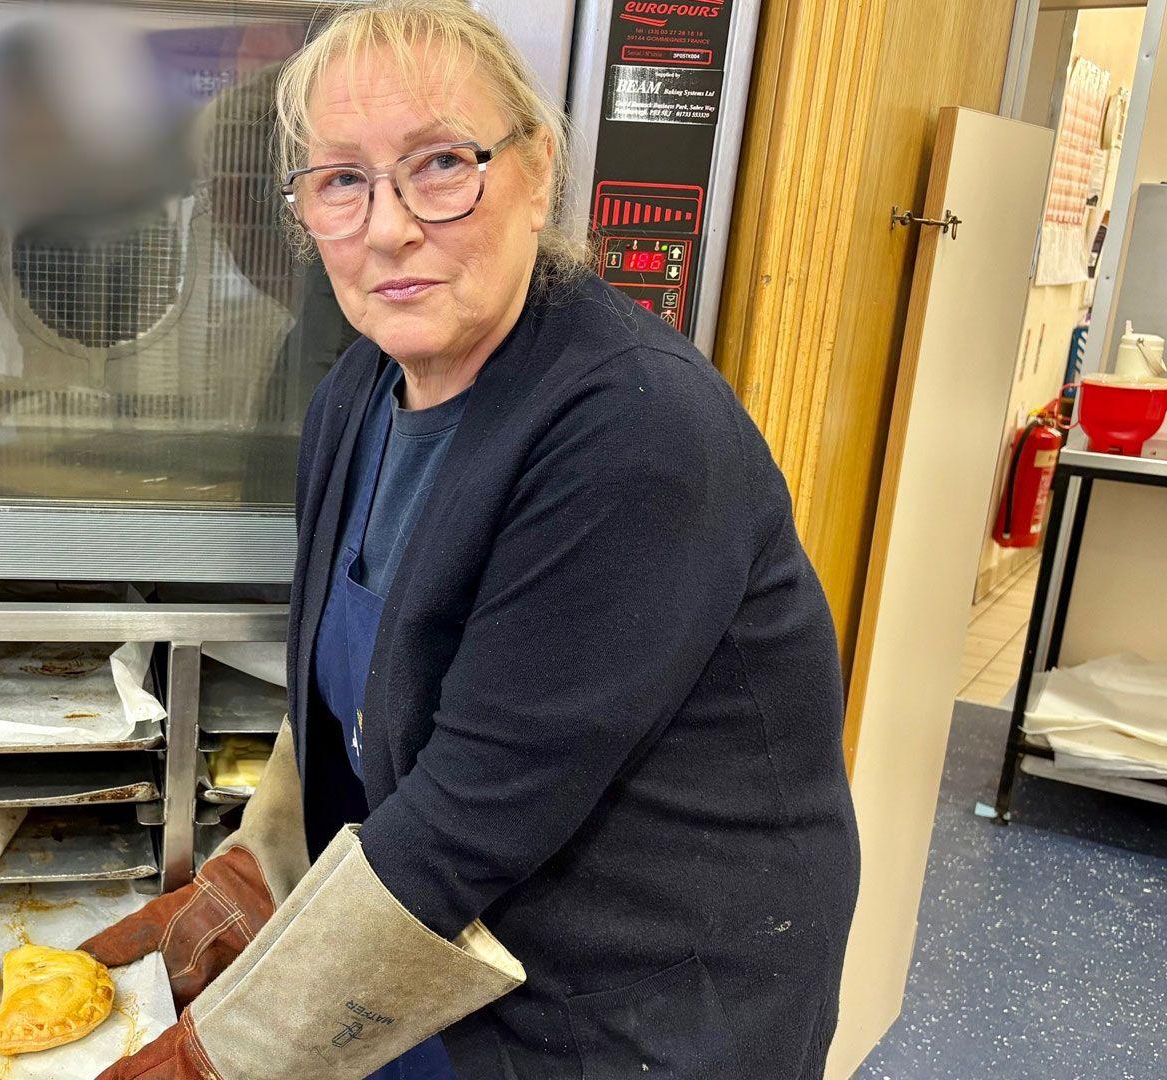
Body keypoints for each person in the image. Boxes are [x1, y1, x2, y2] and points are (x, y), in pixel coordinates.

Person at [85, 2, 860, 1077]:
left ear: (536, 171)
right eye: (342, 180)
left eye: (442, 164)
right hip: (423, 956)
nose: (389, 225)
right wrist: (253, 875)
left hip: (624, 1010)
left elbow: (469, 814)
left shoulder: (632, 433)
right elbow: (351, 703)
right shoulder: (359, 393)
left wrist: (211, 1059)